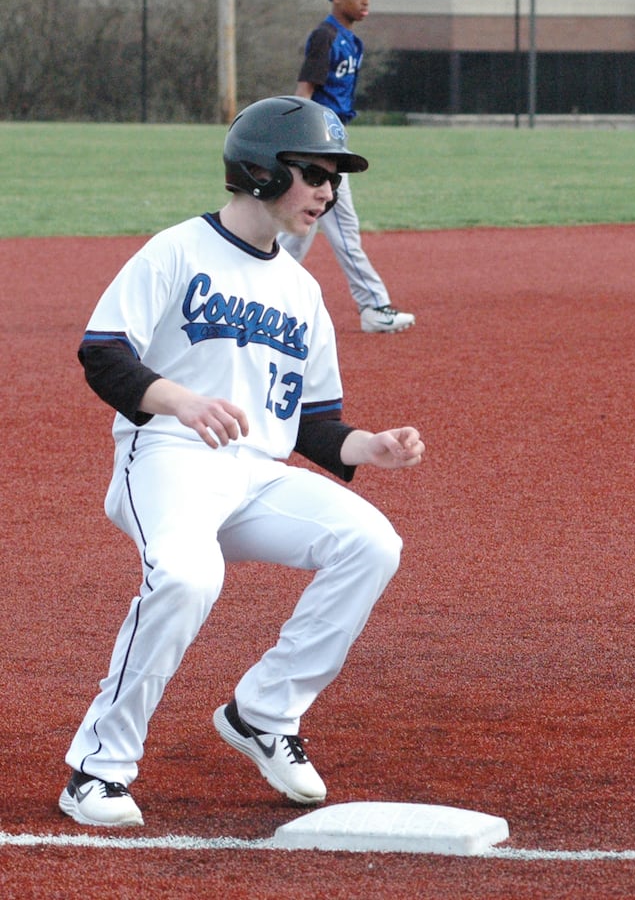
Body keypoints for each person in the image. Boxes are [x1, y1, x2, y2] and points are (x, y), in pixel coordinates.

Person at [58, 95, 425, 828]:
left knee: (371, 542)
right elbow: (103, 353)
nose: (327, 191)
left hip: (255, 473)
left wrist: (370, 448)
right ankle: (96, 769)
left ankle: (264, 711)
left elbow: (315, 423)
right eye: (313, 173)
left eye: (335, 178)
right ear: (260, 172)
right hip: (167, 456)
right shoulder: (178, 250)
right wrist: (179, 402)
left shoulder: (301, 288)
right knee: (190, 577)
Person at [285, 0, 415, 334]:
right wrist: (304, 143)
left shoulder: (353, 41)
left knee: (295, 235)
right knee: (343, 228)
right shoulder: (325, 36)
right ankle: (374, 306)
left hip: (333, 137)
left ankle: (253, 289)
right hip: (320, 142)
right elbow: (305, 90)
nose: (365, 1)